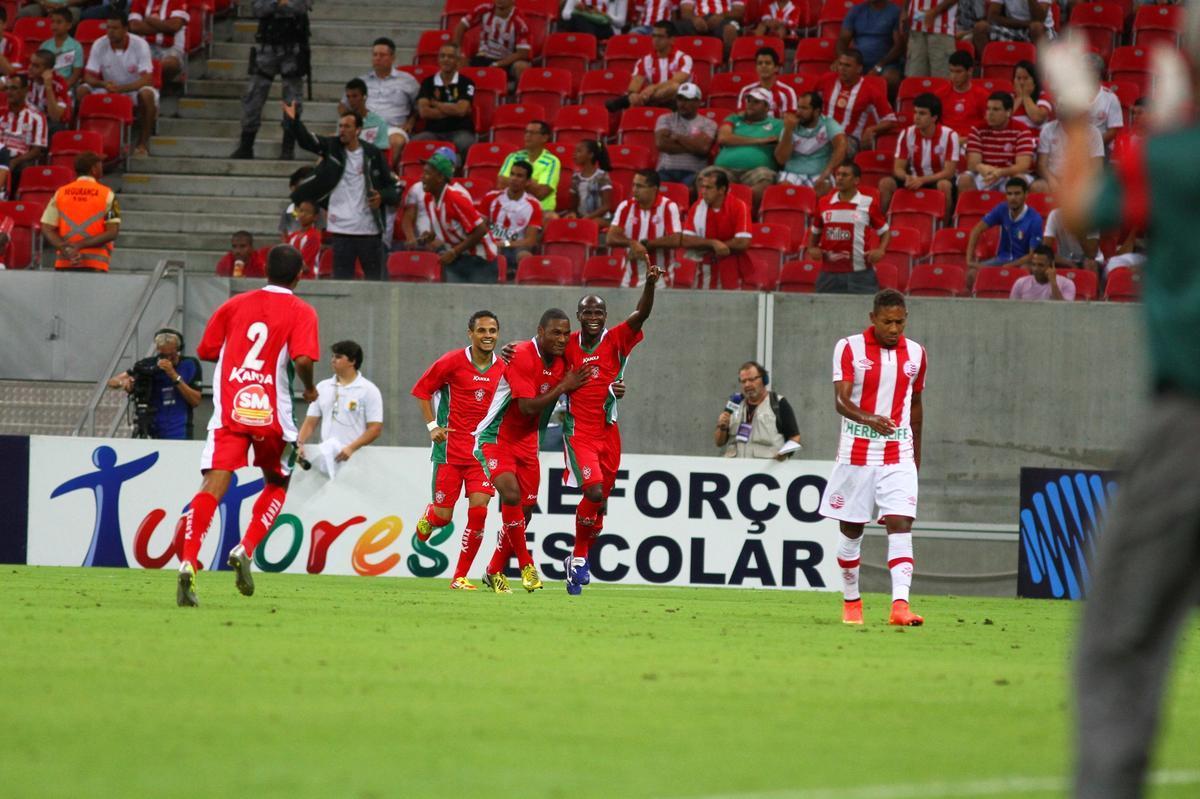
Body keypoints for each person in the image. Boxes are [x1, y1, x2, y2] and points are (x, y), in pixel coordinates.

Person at [1043, 35, 1199, 797]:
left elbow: (1080, 210)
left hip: (1188, 427)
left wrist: (1079, 116)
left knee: (1121, 644)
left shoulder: (1172, 160)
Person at [173, 244, 320, 607]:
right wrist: (309, 385)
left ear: (264, 270)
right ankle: (245, 548)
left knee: (214, 482)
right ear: (300, 275)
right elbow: (302, 358)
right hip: (273, 414)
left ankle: (189, 560)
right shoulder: (302, 310)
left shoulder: (234, 304)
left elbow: (207, 350)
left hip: (230, 410)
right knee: (278, 482)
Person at [818, 288, 927, 627]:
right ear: (873, 319)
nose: (894, 329)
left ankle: (900, 606)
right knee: (851, 533)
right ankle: (852, 601)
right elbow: (840, 401)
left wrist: (916, 457)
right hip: (857, 454)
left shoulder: (917, 353)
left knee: (900, 523)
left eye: (899, 322)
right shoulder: (849, 347)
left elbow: (916, 404)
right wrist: (869, 418)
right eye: (887, 322)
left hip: (898, 453)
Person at [561, 264, 662, 595]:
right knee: (591, 492)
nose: (594, 316)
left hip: (608, 431)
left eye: (599, 311)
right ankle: (577, 559)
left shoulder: (616, 339)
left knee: (599, 507)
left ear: (605, 316)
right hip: (579, 432)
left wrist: (649, 284)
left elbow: (641, 314)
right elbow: (537, 350)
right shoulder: (567, 344)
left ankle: (578, 560)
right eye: (588, 311)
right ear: (578, 315)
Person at [474, 309, 589, 594]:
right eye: (555, 333)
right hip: (496, 435)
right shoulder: (522, 354)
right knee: (511, 495)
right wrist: (563, 386)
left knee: (524, 513)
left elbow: (594, 366)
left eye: (565, 333)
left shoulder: (565, 356)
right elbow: (526, 407)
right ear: (540, 332)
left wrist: (613, 387)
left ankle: (492, 571)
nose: (562, 339)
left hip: (527, 440)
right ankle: (526, 565)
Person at [410, 311, 506, 590]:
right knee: (444, 516)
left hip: (482, 454)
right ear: (470, 333)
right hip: (449, 452)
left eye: (492, 331)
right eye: (482, 331)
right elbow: (422, 390)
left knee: (479, 511)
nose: (488, 336)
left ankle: (459, 577)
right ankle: (430, 517)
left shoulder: (503, 369)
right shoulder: (452, 361)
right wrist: (432, 425)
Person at [283, 101, 399, 281]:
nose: (342, 130)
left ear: (358, 130)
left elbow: (393, 187)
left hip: (369, 229)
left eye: (347, 126)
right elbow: (307, 141)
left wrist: (382, 197)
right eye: (340, 126)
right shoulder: (332, 147)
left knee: (377, 283)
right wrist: (294, 120)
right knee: (342, 282)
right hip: (341, 228)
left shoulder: (372, 153)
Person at [229, 0, 310, 160]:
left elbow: (300, 7)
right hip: (266, 49)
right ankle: (246, 145)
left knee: (292, 101)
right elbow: (258, 9)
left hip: (292, 50)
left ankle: (288, 147)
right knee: (253, 97)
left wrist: (275, 5)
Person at [297, 340, 383, 478]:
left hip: (354, 457)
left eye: (338, 357)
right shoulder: (322, 387)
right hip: (326, 457)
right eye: (332, 356)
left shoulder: (369, 390)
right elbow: (310, 422)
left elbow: (375, 428)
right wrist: (299, 443)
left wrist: (351, 448)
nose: (333, 360)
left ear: (352, 361)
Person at [78, 10, 158, 157]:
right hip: (109, 87)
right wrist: (103, 84)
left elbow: (147, 79)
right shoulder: (99, 44)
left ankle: (142, 143)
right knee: (82, 90)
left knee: (147, 94)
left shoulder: (140, 45)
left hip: (133, 89)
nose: (110, 32)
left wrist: (122, 89)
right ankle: (81, 141)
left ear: (126, 29)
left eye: (115, 28)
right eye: (108, 28)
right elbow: (88, 76)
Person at [807, 161, 890, 294]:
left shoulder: (868, 203)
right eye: (838, 174)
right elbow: (815, 230)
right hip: (829, 274)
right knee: (822, 313)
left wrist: (881, 250)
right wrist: (811, 247)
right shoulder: (824, 203)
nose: (839, 178)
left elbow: (885, 231)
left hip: (860, 274)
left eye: (845, 175)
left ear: (856, 180)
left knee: (865, 312)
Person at [105, 328, 202, 440]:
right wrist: (124, 383)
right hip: (151, 423)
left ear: (178, 349)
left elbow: (195, 401)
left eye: (171, 354)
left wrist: (174, 375)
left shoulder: (190, 364)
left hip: (179, 429)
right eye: (163, 354)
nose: (168, 358)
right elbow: (112, 381)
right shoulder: (148, 364)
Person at [421, 150, 500, 283]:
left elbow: (480, 230)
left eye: (428, 173)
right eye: (423, 172)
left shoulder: (455, 198)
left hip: (479, 260)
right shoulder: (429, 198)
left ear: (440, 177)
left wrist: (454, 252)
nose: (422, 177)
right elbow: (445, 224)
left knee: (478, 303)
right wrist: (431, 235)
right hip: (457, 257)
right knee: (455, 302)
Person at [339, 37, 419, 167]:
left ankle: (381, 177)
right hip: (365, 126)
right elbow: (343, 105)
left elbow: (419, 107)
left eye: (382, 55)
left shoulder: (407, 80)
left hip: (392, 128)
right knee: (332, 140)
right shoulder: (361, 81)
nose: (377, 58)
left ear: (393, 57)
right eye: (375, 55)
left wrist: (411, 121)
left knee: (396, 141)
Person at [882, 93, 959, 221]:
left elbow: (949, 172)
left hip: (936, 179)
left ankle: (944, 227)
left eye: (922, 113)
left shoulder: (950, 135)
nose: (916, 117)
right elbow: (898, 168)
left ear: (934, 117)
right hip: (914, 178)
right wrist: (907, 177)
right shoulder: (906, 133)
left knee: (944, 185)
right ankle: (882, 225)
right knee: (886, 183)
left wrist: (922, 180)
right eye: (915, 112)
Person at [40, 152, 120, 273]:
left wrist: (65, 249)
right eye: (100, 165)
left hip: (65, 262)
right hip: (96, 264)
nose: (102, 168)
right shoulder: (108, 194)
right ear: (93, 169)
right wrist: (79, 245)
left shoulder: (61, 193)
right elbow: (112, 232)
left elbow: (46, 227)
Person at [606, 168, 682, 287]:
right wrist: (631, 243)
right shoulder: (625, 206)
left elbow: (676, 239)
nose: (635, 190)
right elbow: (610, 238)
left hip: (660, 280)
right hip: (629, 279)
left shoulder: (668, 206)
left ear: (654, 189)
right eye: (634, 185)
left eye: (640, 186)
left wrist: (646, 245)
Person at [681, 168, 754, 289]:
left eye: (708, 188)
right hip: (704, 270)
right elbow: (686, 240)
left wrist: (716, 245)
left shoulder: (739, 206)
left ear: (722, 190)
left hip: (732, 269)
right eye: (702, 187)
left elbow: (743, 242)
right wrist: (713, 243)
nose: (703, 191)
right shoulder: (697, 206)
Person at [714, 87, 784, 211]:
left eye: (756, 102)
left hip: (756, 171)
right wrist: (760, 141)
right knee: (707, 178)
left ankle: (743, 214)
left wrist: (736, 139)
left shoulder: (777, 124)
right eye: (749, 100)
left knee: (764, 179)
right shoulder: (734, 119)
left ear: (767, 107)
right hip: (725, 168)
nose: (751, 104)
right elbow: (724, 138)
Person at [714, 361, 802, 459]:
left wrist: (784, 453)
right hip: (735, 472)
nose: (747, 384)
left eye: (751, 379)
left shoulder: (778, 403)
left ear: (764, 380)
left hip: (765, 472)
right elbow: (719, 442)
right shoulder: (735, 403)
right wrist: (722, 427)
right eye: (743, 381)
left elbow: (795, 437)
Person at [817, 49, 897, 154]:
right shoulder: (826, 80)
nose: (842, 69)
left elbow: (891, 120)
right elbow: (811, 103)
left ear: (859, 69)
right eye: (840, 64)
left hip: (849, 139)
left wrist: (872, 129)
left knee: (829, 149)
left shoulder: (871, 90)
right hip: (821, 134)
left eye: (847, 66)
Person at [965, 176, 1042, 281]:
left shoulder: (1035, 218)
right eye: (1009, 194)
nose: (1013, 198)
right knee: (971, 274)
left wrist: (1008, 266)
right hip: (1001, 259)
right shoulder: (1002, 209)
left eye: (1017, 193)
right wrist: (969, 260)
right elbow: (976, 230)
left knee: (1025, 274)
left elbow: (1032, 255)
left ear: (1026, 195)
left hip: (1022, 262)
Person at [958, 92, 1035, 194]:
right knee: (964, 180)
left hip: (1010, 173)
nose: (990, 113)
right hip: (985, 173)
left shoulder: (1022, 130)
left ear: (1008, 112)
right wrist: (981, 168)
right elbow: (973, 163)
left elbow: (1023, 165)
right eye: (988, 109)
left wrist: (1000, 172)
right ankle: (969, 210)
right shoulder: (977, 129)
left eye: (996, 109)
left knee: (1019, 180)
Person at [607, 20, 693, 112]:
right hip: (652, 98)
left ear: (672, 40)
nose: (656, 40)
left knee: (674, 87)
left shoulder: (683, 58)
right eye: (654, 36)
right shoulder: (644, 61)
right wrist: (633, 95)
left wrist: (653, 87)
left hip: (678, 101)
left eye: (660, 37)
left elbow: (675, 81)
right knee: (634, 98)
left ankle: (624, 101)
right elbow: (634, 85)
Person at [776, 91, 848, 195]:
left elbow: (842, 146)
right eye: (799, 107)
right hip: (792, 173)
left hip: (819, 173)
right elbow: (781, 160)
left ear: (816, 111)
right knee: (784, 190)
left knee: (825, 188)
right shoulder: (790, 125)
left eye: (804, 108)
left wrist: (827, 172)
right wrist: (788, 130)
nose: (799, 112)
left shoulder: (827, 124)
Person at [414, 43, 476, 159]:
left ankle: (463, 175)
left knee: (466, 143)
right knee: (416, 142)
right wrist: (453, 110)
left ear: (457, 60)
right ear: (438, 59)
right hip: (433, 132)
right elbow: (424, 112)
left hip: (460, 130)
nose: (446, 60)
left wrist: (436, 104)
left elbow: (461, 110)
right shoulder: (428, 83)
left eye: (450, 57)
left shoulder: (466, 82)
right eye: (442, 56)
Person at [484, 160, 543, 278]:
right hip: (493, 245)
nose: (514, 179)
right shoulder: (491, 197)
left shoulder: (534, 205)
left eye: (519, 176)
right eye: (512, 174)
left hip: (516, 246)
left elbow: (530, 241)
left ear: (528, 182)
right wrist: (491, 242)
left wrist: (505, 243)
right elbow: (480, 227)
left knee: (525, 256)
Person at [654, 82, 716, 189]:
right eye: (680, 99)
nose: (682, 104)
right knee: (650, 187)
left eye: (687, 100)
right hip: (665, 170)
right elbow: (661, 144)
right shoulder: (665, 118)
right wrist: (693, 145)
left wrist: (677, 137)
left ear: (698, 102)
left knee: (690, 189)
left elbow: (703, 148)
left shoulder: (708, 123)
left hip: (694, 173)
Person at [838, 0, 905, 94]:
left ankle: (886, 106)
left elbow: (899, 46)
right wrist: (841, 59)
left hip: (885, 64)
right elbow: (843, 40)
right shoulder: (856, 10)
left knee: (891, 78)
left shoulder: (895, 12)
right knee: (837, 74)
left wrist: (879, 66)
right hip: (857, 62)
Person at [454, 0, 532, 80]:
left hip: (506, 61)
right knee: (456, 62)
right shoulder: (484, 9)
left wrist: (497, 64)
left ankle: (516, 92)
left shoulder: (520, 21)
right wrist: (459, 53)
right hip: (483, 56)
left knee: (521, 66)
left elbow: (523, 53)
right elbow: (460, 28)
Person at [497, 120, 561, 215]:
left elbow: (541, 193)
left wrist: (516, 182)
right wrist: (531, 183)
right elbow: (501, 184)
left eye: (532, 133)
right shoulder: (513, 157)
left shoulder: (552, 161)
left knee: (551, 217)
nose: (527, 135)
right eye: (526, 132)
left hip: (540, 210)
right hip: (512, 206)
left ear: (544, 137)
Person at [0, 74, 49, 191]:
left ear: (25, 90)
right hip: (1, 157)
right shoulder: (1, 113)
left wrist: (15, 161)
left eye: (14, 88)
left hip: (20, 160)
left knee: (23, 168)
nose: (9, 92)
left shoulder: (37, 116)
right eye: (7, 88)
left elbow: (37, 150)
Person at [1033, 116, 1103, 195]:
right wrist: (1051, 179)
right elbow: (1041, 165)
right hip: (1055, 178)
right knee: (1036, 187)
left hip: (1082, 180)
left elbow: (1097, 168)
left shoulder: (1094, 132)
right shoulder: (1048, 129)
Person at [128, 0, 189, 87]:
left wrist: (149, 20)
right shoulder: (139, 1)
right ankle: (147, 88)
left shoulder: (177, 1)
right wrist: (163, 27)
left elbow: (174, 26)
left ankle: (150, 86)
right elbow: (135, 26)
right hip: (145, 47)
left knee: (170, 64)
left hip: (170, 48)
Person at [972, 0, 1055, 58]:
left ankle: (1038, 74)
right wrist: (1026, 24)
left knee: (1036, 27)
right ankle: (991, 67)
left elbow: (1039, 19)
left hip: (1042, 31)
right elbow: (992, 17)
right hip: (1013, 28)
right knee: (980, 28)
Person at [936, 50, 991, 137]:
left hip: (972, 142)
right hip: (946, 141)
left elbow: (989, 124)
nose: (953, 76)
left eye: (958, 72)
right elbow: (934, 123)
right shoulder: (940, 94)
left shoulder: (982, 95)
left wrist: (967, 139)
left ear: (969, 71)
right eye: (951, 71)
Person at [563, 140, 613, 223]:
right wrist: (572, 213)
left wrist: (588, 217)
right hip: (582, 217)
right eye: (575, 151)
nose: (574, 154)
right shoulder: (576, 177)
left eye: (579, 151)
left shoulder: (602, 176)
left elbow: (606, 206)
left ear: (590, 155)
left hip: (600, 218)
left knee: (593, 223)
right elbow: (573, 205)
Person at [904, 0, 957, 78]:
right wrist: (904, 12)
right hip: (916, 29)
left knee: (941, 80)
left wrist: (934, 11)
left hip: (940, 30)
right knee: (915, 79)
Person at [737, 47, 797, 116]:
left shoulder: (787, 92)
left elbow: (790, 121)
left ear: (776, 68)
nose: (763, 66)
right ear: (756, 67)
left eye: (767, 63)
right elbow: (741, 118)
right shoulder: (746, 91)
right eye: (760, 63)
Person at [1042, 207, 1100, 274]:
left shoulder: (1092, 216)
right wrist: (1068, 263)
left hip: (1085, 259)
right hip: (1063, 259)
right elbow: (1046, 250)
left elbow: (1092, 254)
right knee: (1043, 261)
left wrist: (1077, 232)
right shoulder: (1055, 215)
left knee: (1091, 264)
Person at [1008, 243, 1074, 301]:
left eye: (1041, 265)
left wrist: (1053, 283)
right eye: (1033, 264)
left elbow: (1065, 310)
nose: (1036, 269)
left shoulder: (1067, 284)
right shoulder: (1020, 283)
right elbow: (1012, 309)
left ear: (1051, 265)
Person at [26, 50, 73, 132]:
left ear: (48, 70)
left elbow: (55, 117)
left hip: (48, 122)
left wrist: (48, 87)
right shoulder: (24, 76)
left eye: (36, 66)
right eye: (30, 63)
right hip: (27, 119)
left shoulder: (59, 84)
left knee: (56, 128)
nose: (30, 68)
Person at [676, 0, 744, 55]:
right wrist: (695, 19)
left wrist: (721, 16)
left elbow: (738, 12)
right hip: (699, 19)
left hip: (724, 19)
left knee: (730, 29)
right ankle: (680, 62)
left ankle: (726, 65)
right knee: (673, 28)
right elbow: (686, 11)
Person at [40, 7, 85, 88]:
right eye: (53, 22)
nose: (54, 25)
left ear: (69, 25)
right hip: (46, 86)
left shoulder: (76, 46)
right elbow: (39, 70)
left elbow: (75, 75)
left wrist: (62, 88)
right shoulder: (45, 45)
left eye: (59, 22)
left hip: (66, 88)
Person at [342, 78, 390, 151]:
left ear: (364, 97)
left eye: (354, 96)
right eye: (348, 97)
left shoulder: (379, 122)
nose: (351, 100)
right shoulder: (344, 121)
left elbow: (382, 151)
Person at [1010, 60, 1051, 131]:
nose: (1021, 82)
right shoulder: (1009, 97)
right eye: (1018, 78)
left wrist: (1025, 96)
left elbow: (1038, 118)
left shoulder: (1043, 96)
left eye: (1026, 78)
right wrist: (1019, 98)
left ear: (1034, 80)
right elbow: (1001, 120)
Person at [286, 201, 321, 277]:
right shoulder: (293, 235)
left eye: (308, 212)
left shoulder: (314, 236)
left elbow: (305, 265)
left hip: (308, 277)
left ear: (315, 217)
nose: (303, 215)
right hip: (292, 276)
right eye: (301, 211)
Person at [560, 0, 628, 39]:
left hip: (607, 28)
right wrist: (584, 12)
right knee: (575, 20)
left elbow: (621, 23)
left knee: (579, 23)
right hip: (583, 25)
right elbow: (565, 14)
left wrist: (604, 15)